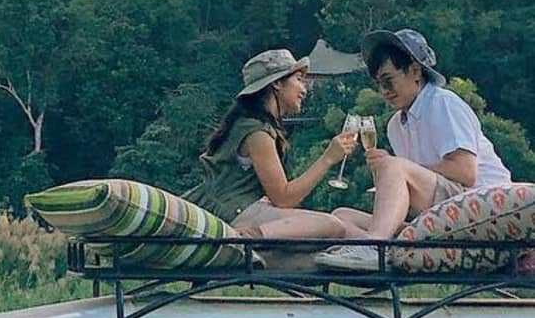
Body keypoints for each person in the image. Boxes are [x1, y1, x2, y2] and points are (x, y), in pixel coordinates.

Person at [318, 27, 510, 271]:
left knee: (394, 165)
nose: (384, 91)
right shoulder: (396, 125)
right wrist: (388, 174)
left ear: (416, 72)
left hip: (480, 204)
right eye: (379, 84)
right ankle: (379, 252)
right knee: (342, 216)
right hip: (437, 210)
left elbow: (465, 172)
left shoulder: (443, 103)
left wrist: (397, 168)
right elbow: (411, 186)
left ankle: (374, 247)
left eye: (389, 81)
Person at [188, 48, 355, 242]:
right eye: (299, 79)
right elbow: (284, 198)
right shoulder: (256, 132)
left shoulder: (252, 125)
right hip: (235, 213)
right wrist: (328, 158)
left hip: (238, 209)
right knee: (333, 225)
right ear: (276, 83)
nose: (305, 89)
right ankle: (249, 238)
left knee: (346, 223)